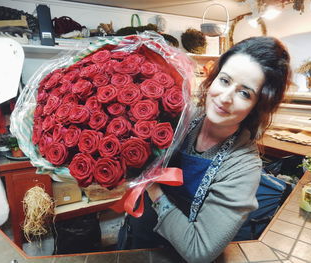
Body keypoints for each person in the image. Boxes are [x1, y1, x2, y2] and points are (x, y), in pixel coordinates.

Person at [117, 36, 292, 263]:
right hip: (135, 240)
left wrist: (153, 188)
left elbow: (199, 251)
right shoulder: (180, 114)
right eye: (225, 80)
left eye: (244, 93)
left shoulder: (243, 165)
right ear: (213, 78)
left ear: (258, 105)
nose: (225, 98)